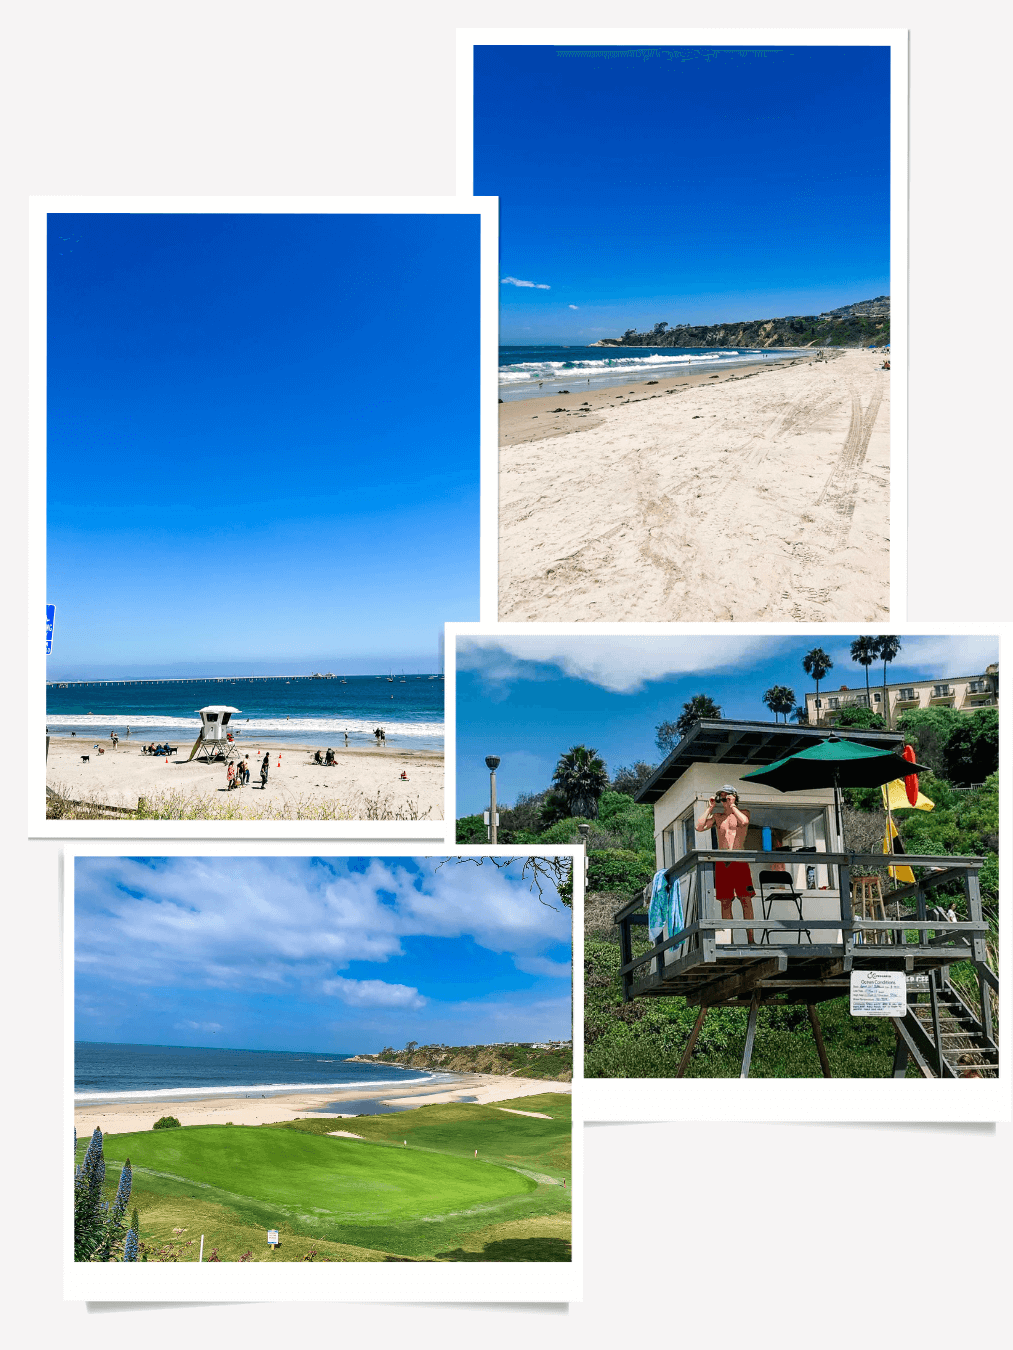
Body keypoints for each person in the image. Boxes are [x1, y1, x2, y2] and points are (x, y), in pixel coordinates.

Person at [697, 786, 755, 942]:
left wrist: (733, 805)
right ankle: (730, 940)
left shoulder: (743, 813)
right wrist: (710, 807)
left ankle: (751, 939)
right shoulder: (718, 817)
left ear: (734, 797)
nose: (724, 801)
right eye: (722, 799)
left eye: (726, 798)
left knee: (746, 900)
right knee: (725, 902)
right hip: (723, 863)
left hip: (739, 861)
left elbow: (744, 822)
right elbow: (699, 827)